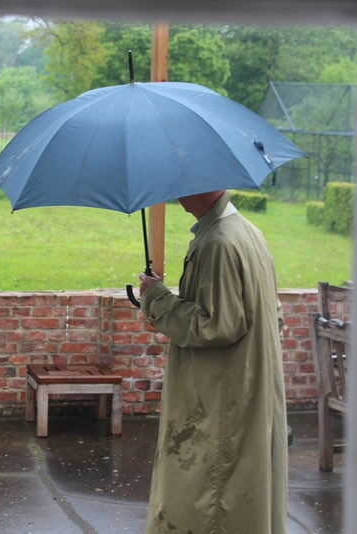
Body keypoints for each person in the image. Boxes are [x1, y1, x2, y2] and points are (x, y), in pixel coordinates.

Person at [138, 189, 288, 534]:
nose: (176, 195)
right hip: (247, 387)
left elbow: (215, 324)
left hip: (222, 398)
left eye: (179, 186)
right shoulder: (247, 232)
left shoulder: (217, 243)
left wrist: (156, 299)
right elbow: (268, 314)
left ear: (198, 187)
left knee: (212, 498)